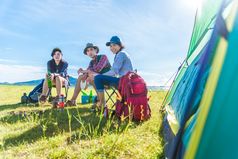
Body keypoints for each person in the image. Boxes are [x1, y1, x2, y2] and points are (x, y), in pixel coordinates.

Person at [94, 36, 133, 111]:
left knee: (97, 78)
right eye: (110, 46)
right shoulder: (119, 55)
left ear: (120, 45)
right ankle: (98, 102)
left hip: (124, 81)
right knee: (99, 80)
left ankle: (102, 105)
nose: (112, 48)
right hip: (124, 80)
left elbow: (114, 72)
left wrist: (99, 76)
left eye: (114, 45)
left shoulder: (121, 54)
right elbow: (115, 72)